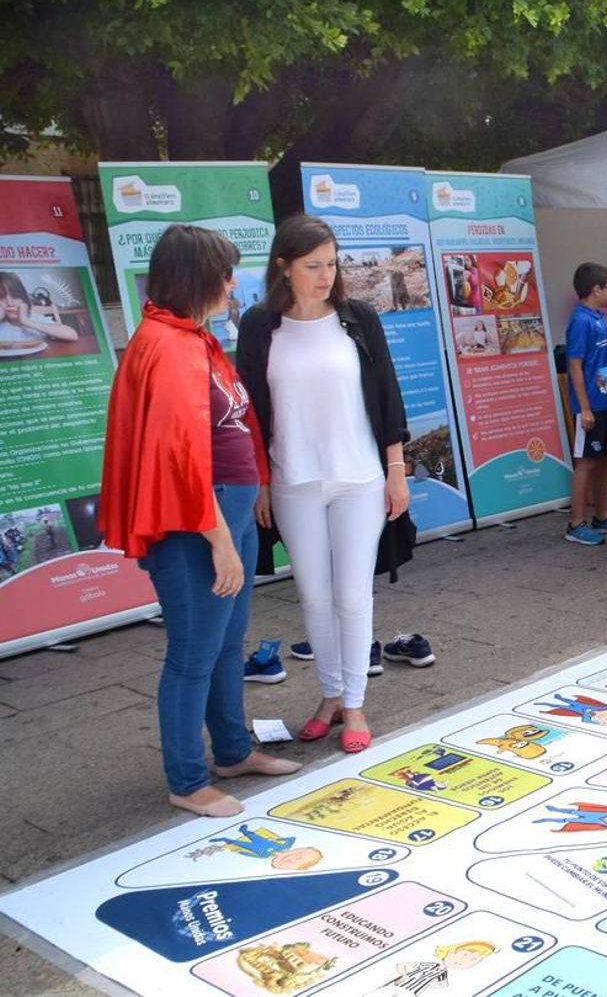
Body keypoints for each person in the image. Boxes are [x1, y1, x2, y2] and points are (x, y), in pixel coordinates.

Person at [101, 225, 300, 818]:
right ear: (197, 278)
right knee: (193, 652)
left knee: (223, 646)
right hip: (197, 522)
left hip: (222, 513)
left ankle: (233, 750)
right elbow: (177, 456)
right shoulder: (167, 345)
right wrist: (221, 540)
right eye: (225, 273)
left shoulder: (189, 337)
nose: (233, 283)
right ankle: (187, 780)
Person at [236, 214, 411, 754]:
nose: (325, 275)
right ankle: (330, 695)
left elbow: (386, 392)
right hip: (292, 481)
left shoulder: (357, 318)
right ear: (283, 267)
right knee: (313, 595)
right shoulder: (259, 325)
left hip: (359, 476)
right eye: (313, 266)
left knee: (352, 595)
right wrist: (260, 483)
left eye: (331, 264)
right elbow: (250, 413)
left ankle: (354, 702)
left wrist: (396, 468)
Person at [563, 263, 607, 545]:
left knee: (604, 460)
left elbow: (601, 364)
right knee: (586, 462)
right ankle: (576, 524)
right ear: (596, 290)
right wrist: (584, 407)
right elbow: (575, 366)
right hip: (591, 405)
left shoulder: (599, 319)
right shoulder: (581, 321)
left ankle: (603, 515)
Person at [0, 273, 78, 349]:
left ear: (24, 298)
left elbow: (72, 335)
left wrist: (26, 322)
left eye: (15, 296)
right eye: (1, 297)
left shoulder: (36, 318)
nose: (10, 303)